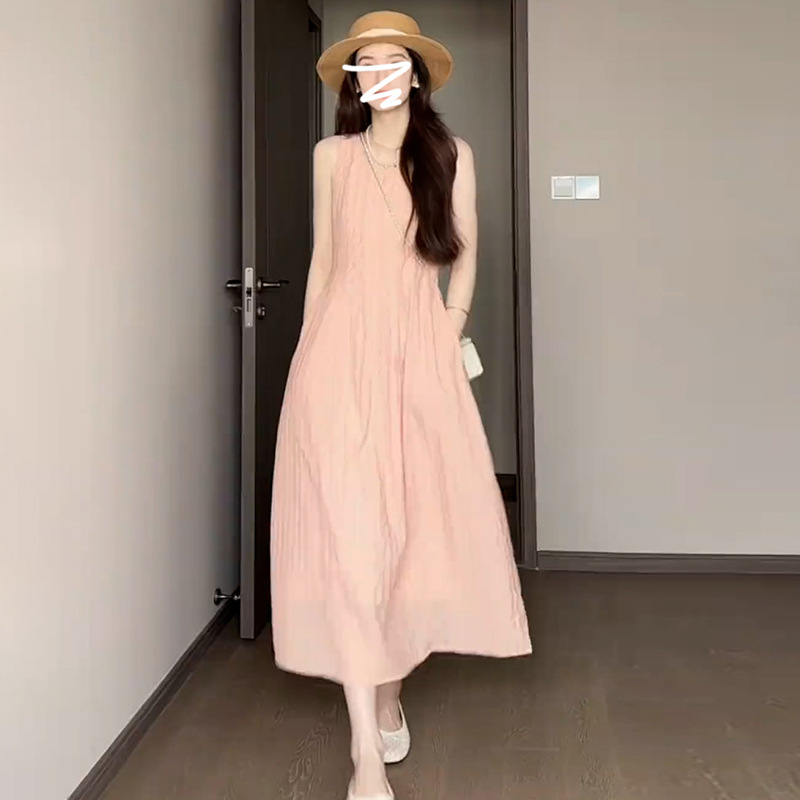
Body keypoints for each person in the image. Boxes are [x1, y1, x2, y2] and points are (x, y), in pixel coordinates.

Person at [269, 10, 532, 799]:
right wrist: (307, 352)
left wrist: (448, 332)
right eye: (367, 63)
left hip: (420, 353)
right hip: (338, 357)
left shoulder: (452, 155)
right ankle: (365, 754)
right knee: (350, 538)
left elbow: (466, 254)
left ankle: (390, 689)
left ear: (415, 75)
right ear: (355, 82)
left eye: (393, 61)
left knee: (412, 528)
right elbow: (324, 261)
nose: (380, 74)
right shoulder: (331, 157)